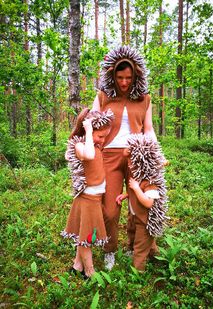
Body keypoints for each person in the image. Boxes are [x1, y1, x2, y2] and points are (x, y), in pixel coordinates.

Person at [92, 45, 157, 270]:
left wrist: (156, 153)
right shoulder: (103, 96)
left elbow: (148, 129)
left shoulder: (145, 98)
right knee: (109, 209)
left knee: (137, 205)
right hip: (109, 156)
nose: (124, 82)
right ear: (112, 75)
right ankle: (109, 249)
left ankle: (133, 245)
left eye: (128, 77)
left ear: (136, 75)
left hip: (137, 155)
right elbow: (92, 126)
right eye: (119, 77)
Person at [61, 108, 114, 278]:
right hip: (87, 199)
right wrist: (90, 131)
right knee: (86, 239)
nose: (102, 140)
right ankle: (89, 272)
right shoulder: (80, 145)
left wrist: (96, 137)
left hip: (95, 199)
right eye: (100, 136)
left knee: (84, 234)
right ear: (87, 131)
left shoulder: (94, 144)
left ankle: (77, 266)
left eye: (105, 137)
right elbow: (89, 156)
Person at [116, 133, 169, 271]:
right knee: (132, 232)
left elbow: (148, 203)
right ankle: (154, 255)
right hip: (136, 216)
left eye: (131, 161)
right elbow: (136, 191)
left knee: (141, 244)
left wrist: (135, 188)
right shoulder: (139, 175)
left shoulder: (150, 181)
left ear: (142, 161)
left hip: (145, 221)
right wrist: (127, 194)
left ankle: (138, 271)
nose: (128, 164)